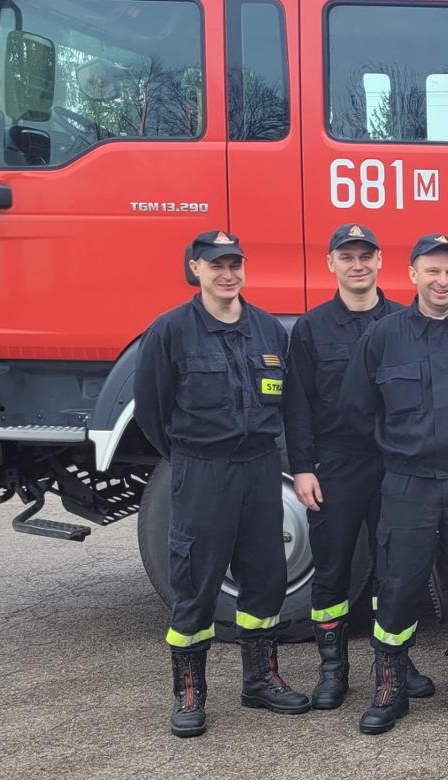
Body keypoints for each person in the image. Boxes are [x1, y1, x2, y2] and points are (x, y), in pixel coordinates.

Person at [134, 230, 310, 738]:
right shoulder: (170, 331)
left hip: (260, 468)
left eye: (235, 264)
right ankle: (190, 691)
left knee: (266, 574)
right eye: (217, 265)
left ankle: (261, 680)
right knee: (196, 579)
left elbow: (291, 403)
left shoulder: (268, 331)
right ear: (196, 269)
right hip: (203, 468)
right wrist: (189, 459)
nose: (227, 274)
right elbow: (151, 410)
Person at [341, 233, 448, 732]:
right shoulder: (383, 337)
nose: (443, 281)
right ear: (413, 274)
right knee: (398, 585)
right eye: (432, 271)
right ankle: (390, 688)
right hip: (408, 483)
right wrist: (402, 446)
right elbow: (356, 408)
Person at [284, 223, 432, 711]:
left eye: (366, 256)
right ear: (331, 263)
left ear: (380, 261)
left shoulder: (406, 321)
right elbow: (298, 405)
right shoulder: (311, 328)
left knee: (396, 569)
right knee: (332, 568)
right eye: (347, 257)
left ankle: (396, 663)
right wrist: (303, 467)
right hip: (337, 463)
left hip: (395, 463)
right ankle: (333, 669)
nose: (357, 265)